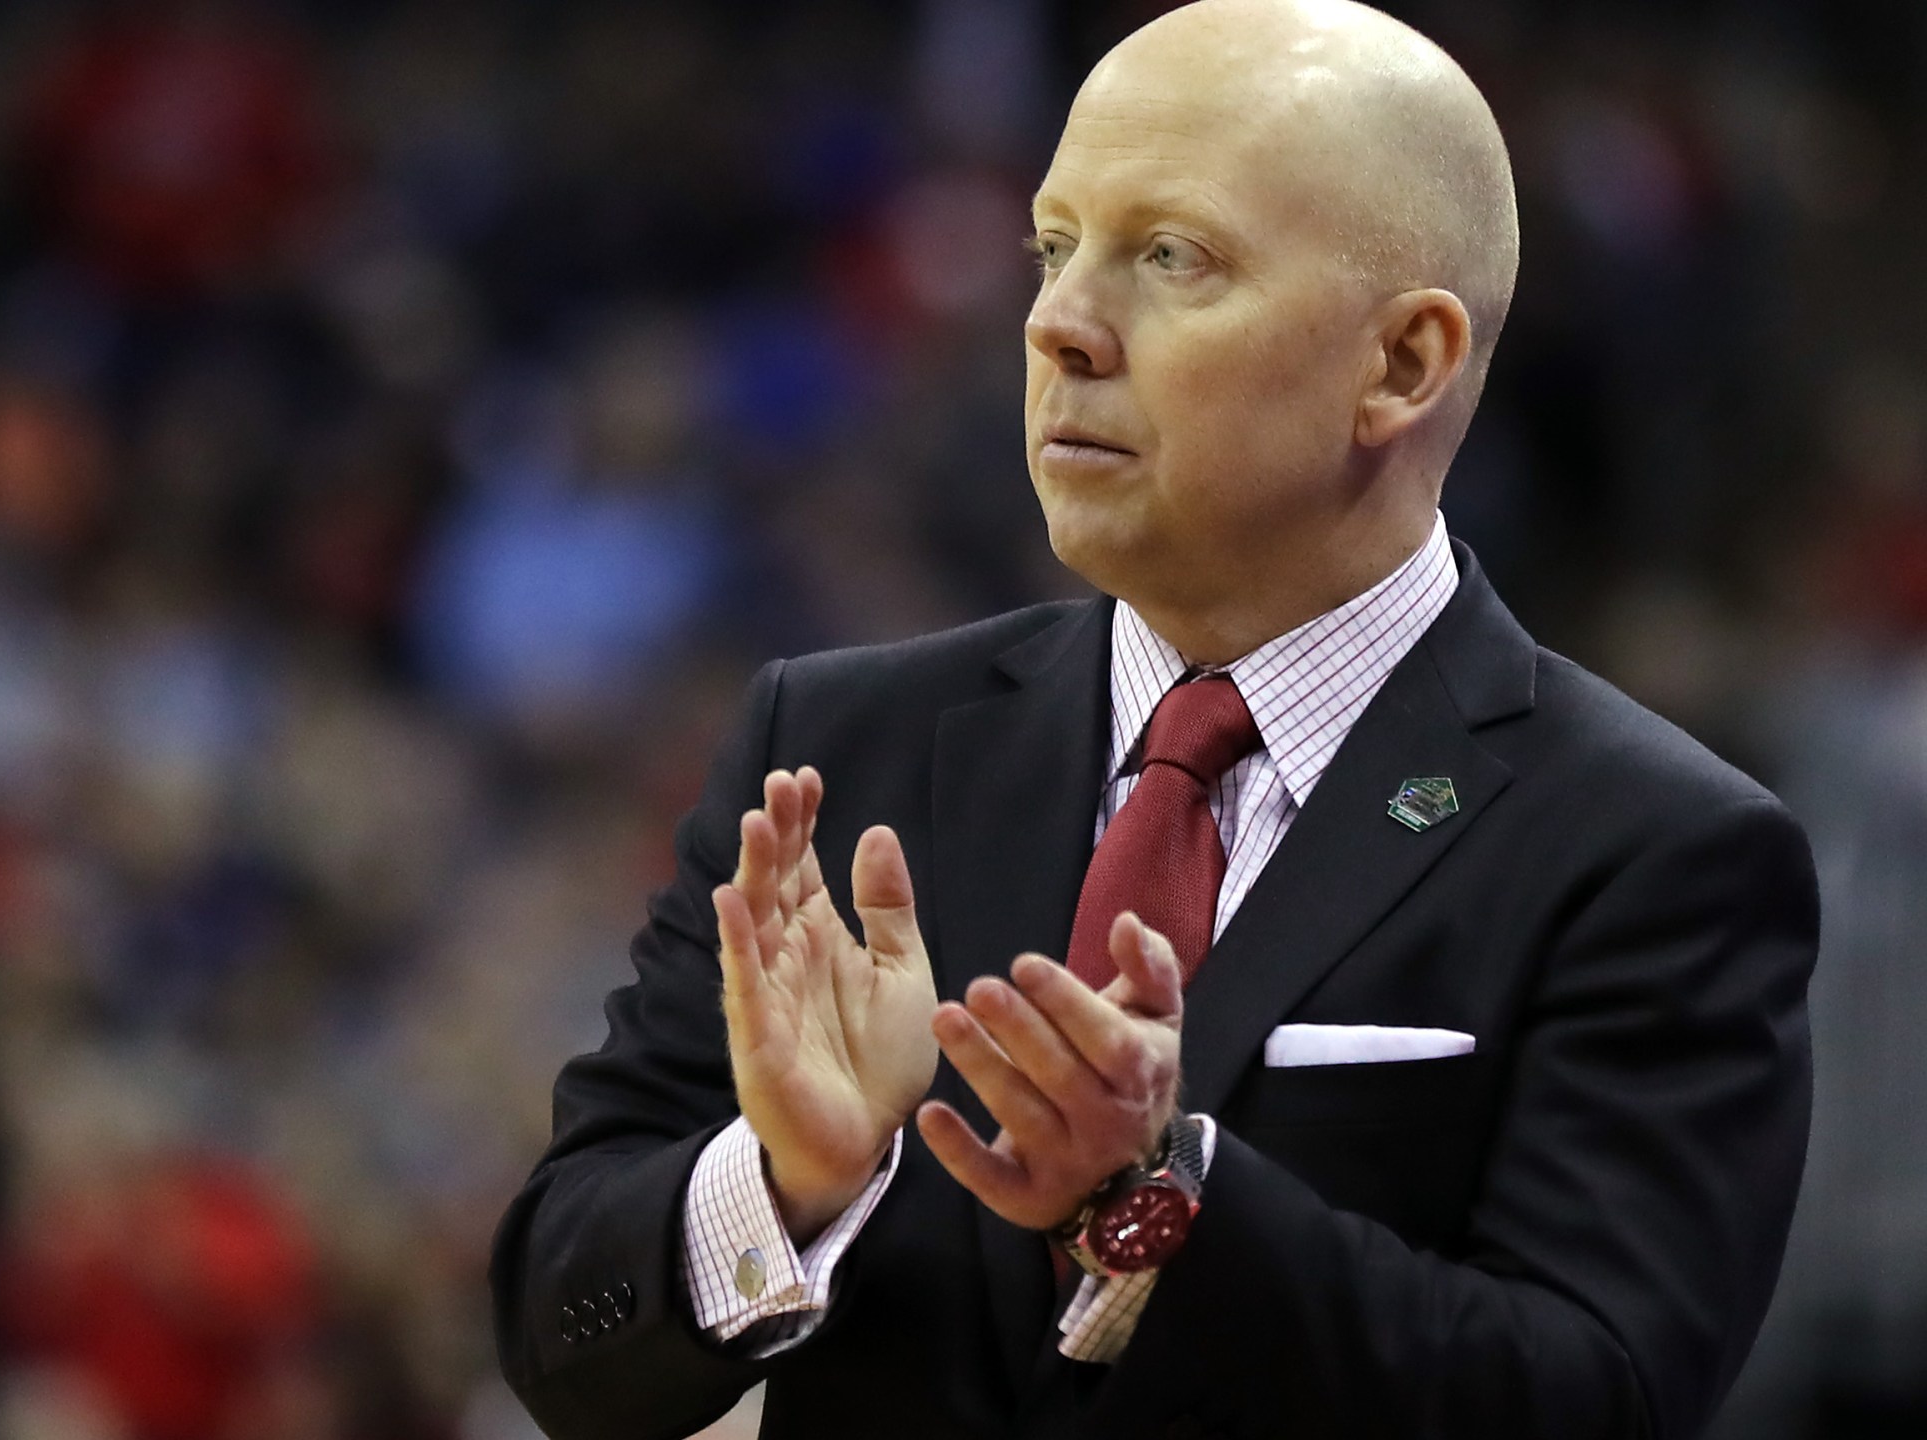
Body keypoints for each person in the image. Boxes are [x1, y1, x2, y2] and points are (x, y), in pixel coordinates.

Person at [487, 1, 1819, 1436]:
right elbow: (563, 1345)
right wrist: (784, 1181)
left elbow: (1590, 1402)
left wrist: (1153, 1208)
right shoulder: (833, 745)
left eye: (1170, 257)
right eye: (1054, 248)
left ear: (1404, 366)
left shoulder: (1654, 849)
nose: (1059, 322)